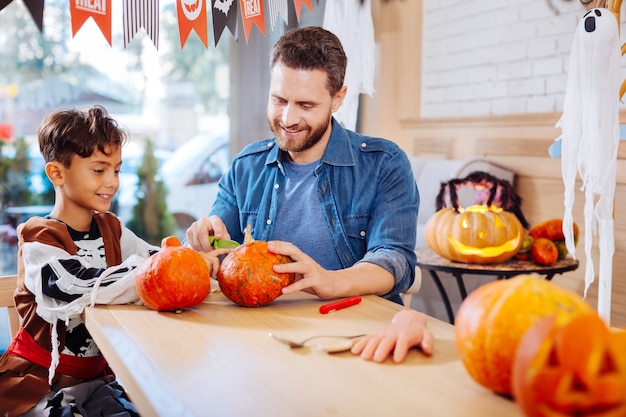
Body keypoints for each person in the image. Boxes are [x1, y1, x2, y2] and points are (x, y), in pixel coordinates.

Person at [185, 26, 433, 360]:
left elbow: (394, 261)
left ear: (338, 99)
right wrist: (206, 237)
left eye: (305, 104)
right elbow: (218, 247)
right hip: (263, 338)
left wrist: (329, 281)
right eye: (279, 99)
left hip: (356, 337)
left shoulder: (384, 163)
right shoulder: (246, 165)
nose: (287, 118)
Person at [0, 106, 226, 417]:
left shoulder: (112, 229)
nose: (113, 182)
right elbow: (73, 285)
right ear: (57, 173)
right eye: (99, 170)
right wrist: (157, 273)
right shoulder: (39, 237)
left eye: (116, 170)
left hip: (99, 384)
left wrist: (196, 258)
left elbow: (157, 261)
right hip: (41, 389)